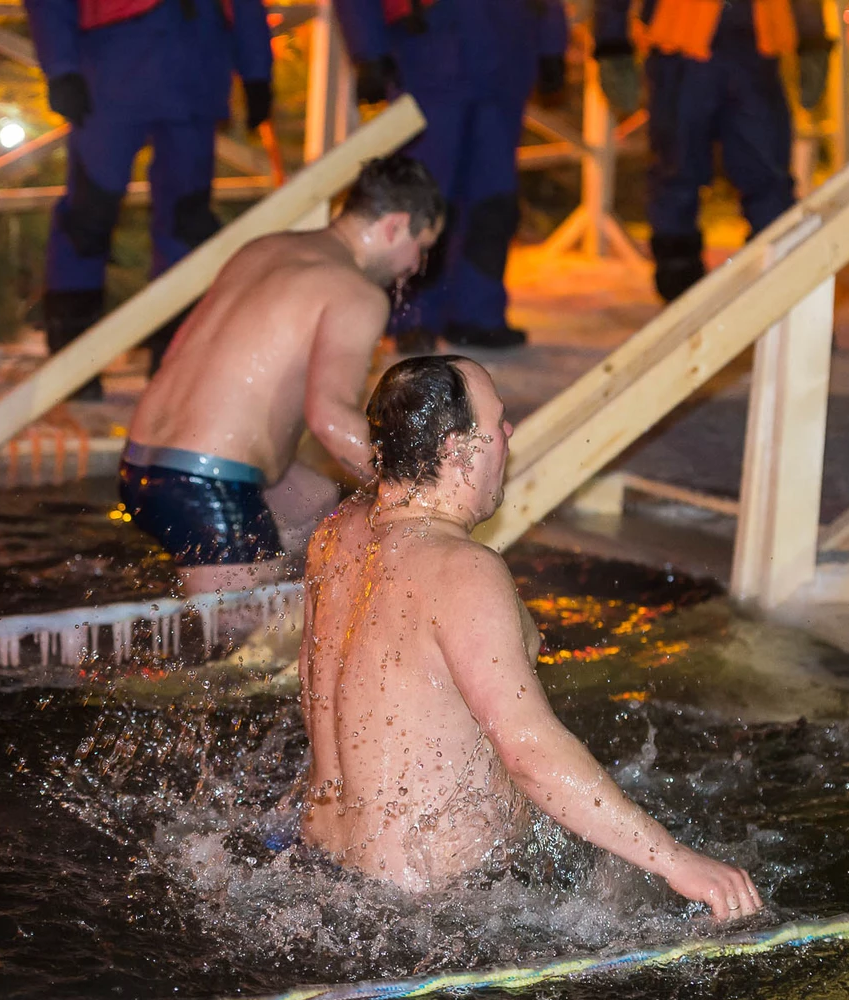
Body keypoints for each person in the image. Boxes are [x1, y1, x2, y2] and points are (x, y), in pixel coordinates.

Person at [298, 354, 763, 919]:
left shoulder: (336, 537)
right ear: (456, 449)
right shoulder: (461, 571)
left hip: (322, 873)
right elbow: (528, 751)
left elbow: (318, 694)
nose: (509, 432)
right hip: (434, 909)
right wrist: (675, 861)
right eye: (498, 421)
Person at [119, 155, 446, 597]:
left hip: (138, 463)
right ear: (395, 226)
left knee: (315, 503)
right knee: (248, 636)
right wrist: (418, 496)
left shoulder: (263, 249)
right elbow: (330, 419)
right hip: (206, 485)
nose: (416, 266)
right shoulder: (356, 293)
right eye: (421, 248)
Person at [23, 0, 274, 381]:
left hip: (194, 65)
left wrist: (257, 71)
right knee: (90, 215)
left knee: (187, 222)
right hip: (116, 64)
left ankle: (174, 362)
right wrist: (60, 67)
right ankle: (71, 362)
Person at [333, 0, 570, 351]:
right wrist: (369, 51)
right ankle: (412, 316)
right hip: (431, 57)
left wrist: (552, 43)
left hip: (503, 58)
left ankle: (477, 313)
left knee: (493, 200)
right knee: (423, 199)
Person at [592, 0, 830, 303]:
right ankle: (681, 294)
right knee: (677, 172)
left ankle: (778, 293)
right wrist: (612, 44)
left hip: (753, 49)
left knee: (767, 176)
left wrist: (812, 40)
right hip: (682, 49)